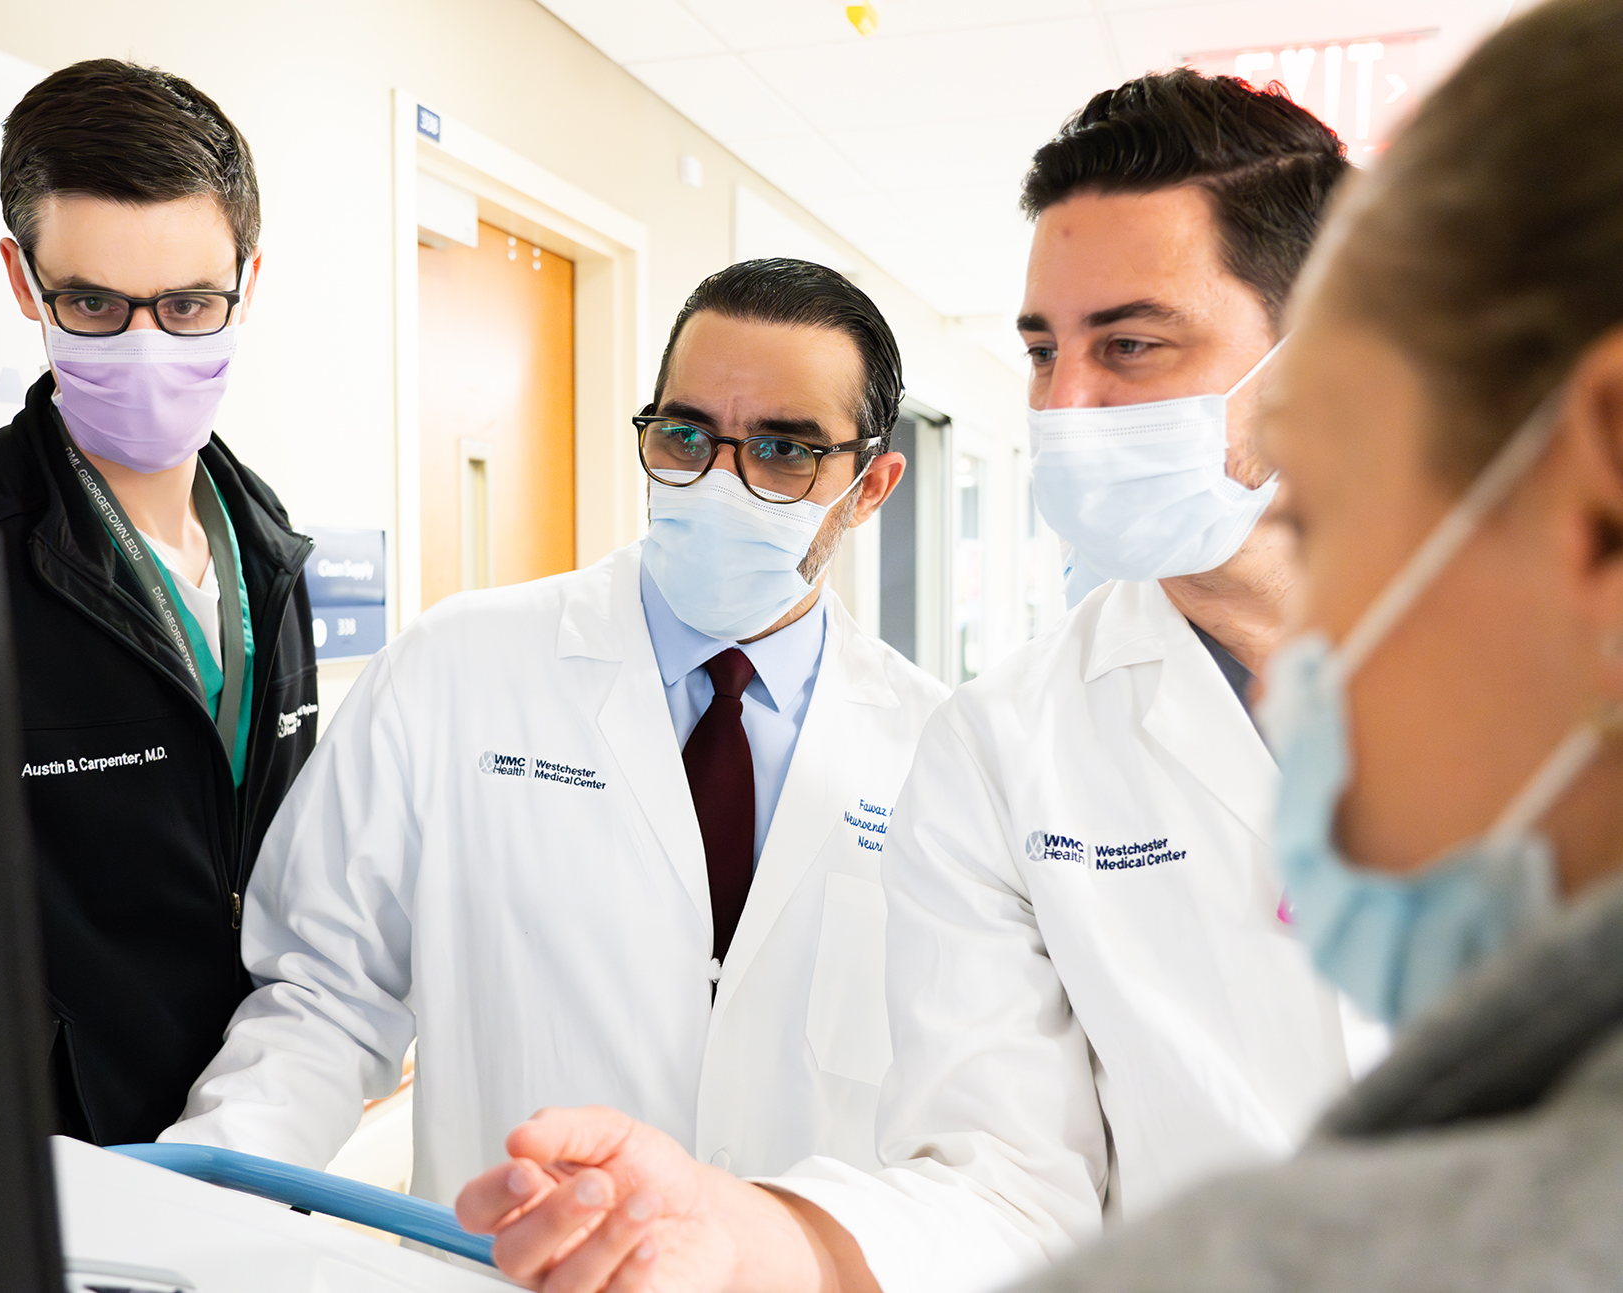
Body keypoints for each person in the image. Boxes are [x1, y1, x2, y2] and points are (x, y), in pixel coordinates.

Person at [454, 2, 1623, 1288]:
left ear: (1319, 358)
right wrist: (751, 1238)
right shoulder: (1005, 745)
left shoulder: (1533, 647)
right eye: (1040, 353)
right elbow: (1006, 1181)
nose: (1066, 408)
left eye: (1128, 346)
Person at [160, 259, 950, 1203]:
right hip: (501, 1266)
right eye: (686, 435)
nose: (720, 482)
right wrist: (194, 1200)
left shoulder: (938, 753)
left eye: (785, 450)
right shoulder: (454, 668)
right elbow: (324, 1000)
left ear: (870, 485)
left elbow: (966, 1109)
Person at [0, 60, 318, 1146]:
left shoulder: (269, 549)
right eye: (90, 303)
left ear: (248, 278)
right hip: (48, 1188)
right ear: (19, 277)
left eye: (188, 305)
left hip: (254, 1146)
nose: (144, 346)